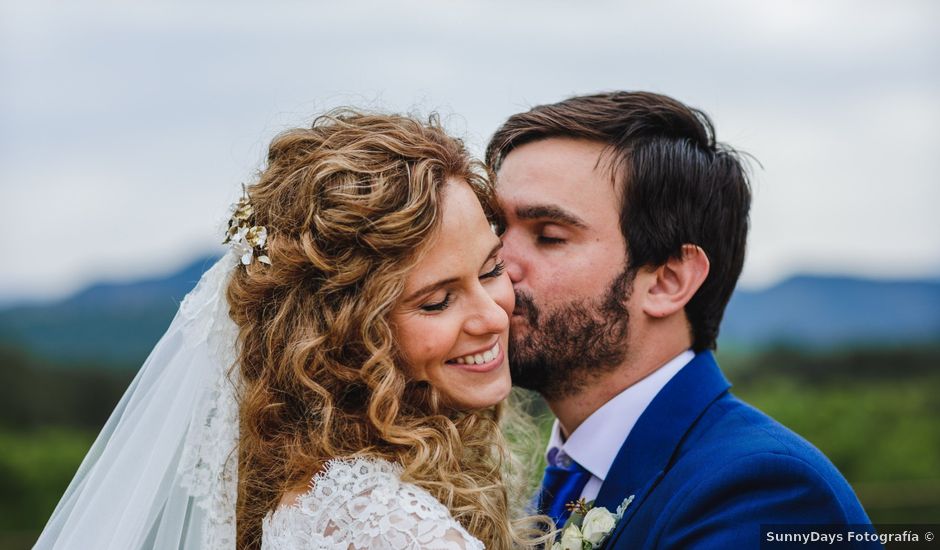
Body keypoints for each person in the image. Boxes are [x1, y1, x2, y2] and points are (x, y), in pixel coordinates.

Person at [35, 111, 546, 549]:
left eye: (490, 270)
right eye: (436, 301)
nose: (494, 315)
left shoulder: (312, 495)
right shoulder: (388, 528)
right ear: (341, 334)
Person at [487, 92, 876, 548]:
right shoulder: (564, 479)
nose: (497, 265)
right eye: (496, 229)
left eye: (549, 236)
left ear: (667, 281)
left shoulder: (763, 492)